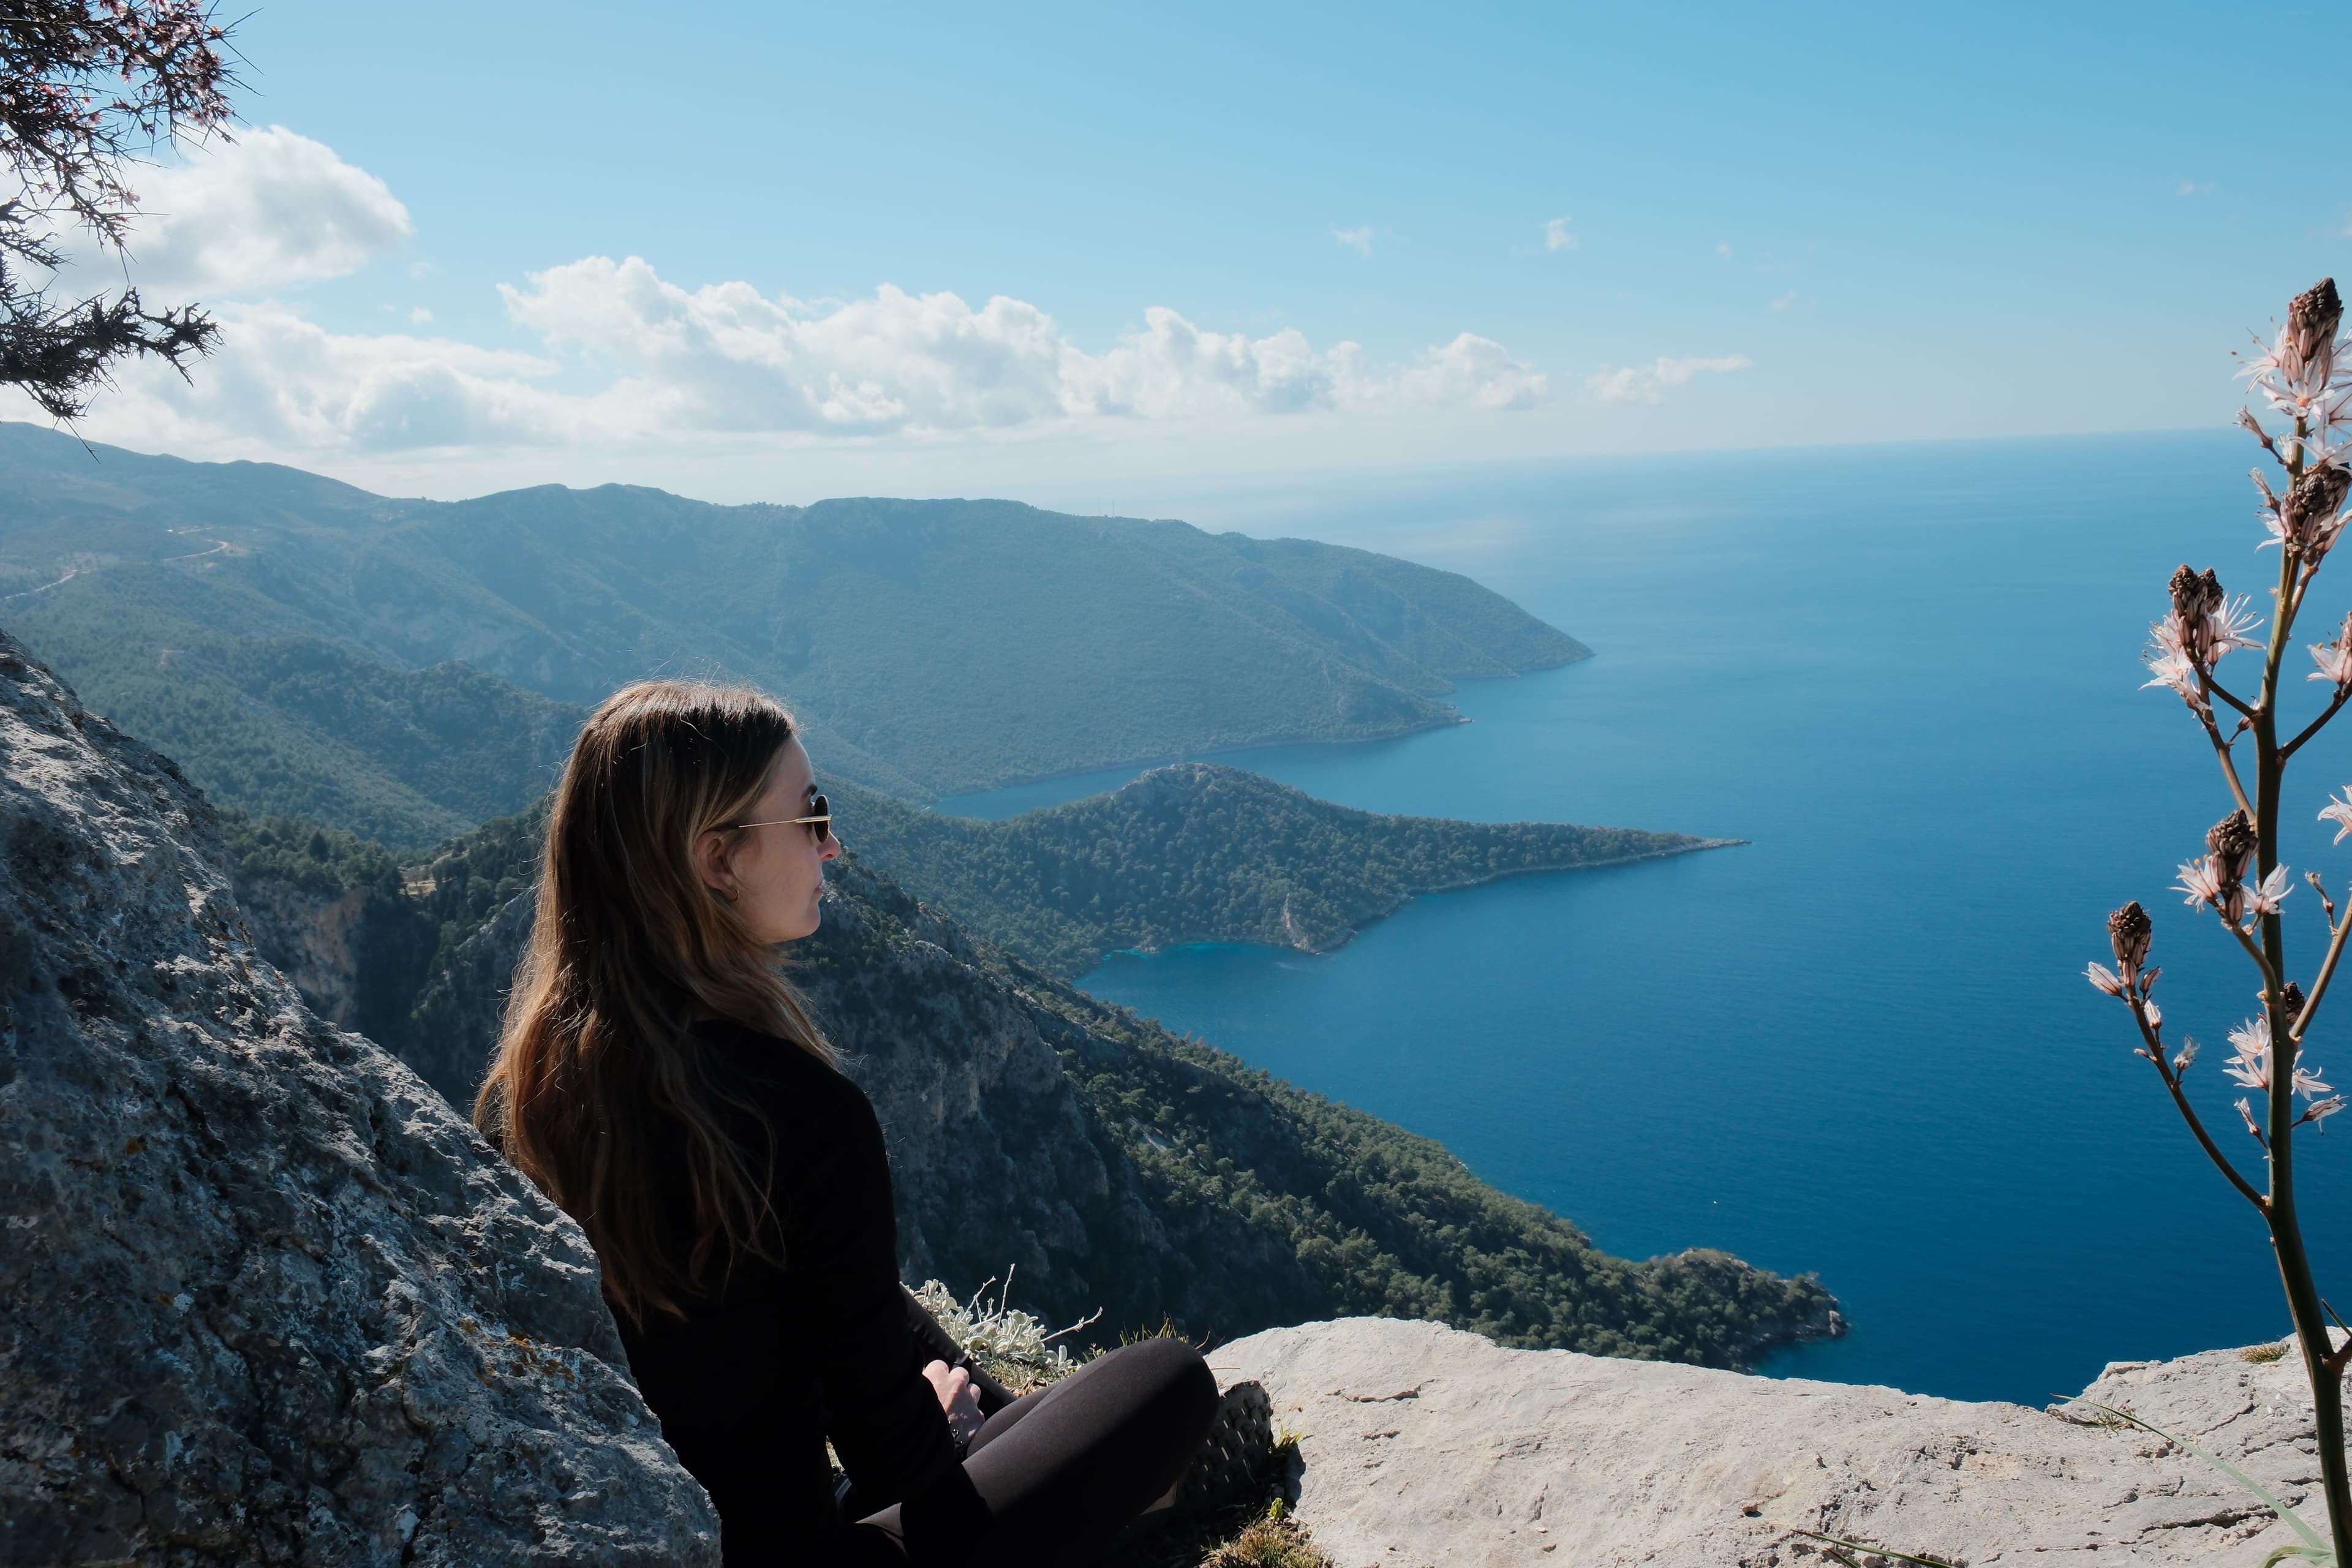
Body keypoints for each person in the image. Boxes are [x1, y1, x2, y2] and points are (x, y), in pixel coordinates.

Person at [474, 680, 1218, 1565]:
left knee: (878, 1305)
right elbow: (893, 1460)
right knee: (1166, 1381)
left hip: (661, 1536)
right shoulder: (796, 1110)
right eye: (809, 814)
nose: (832, 844)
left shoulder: (526, 1105)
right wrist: (942, 1425)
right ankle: (1068, 1474)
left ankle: (1016, 1437)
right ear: (718, 861)